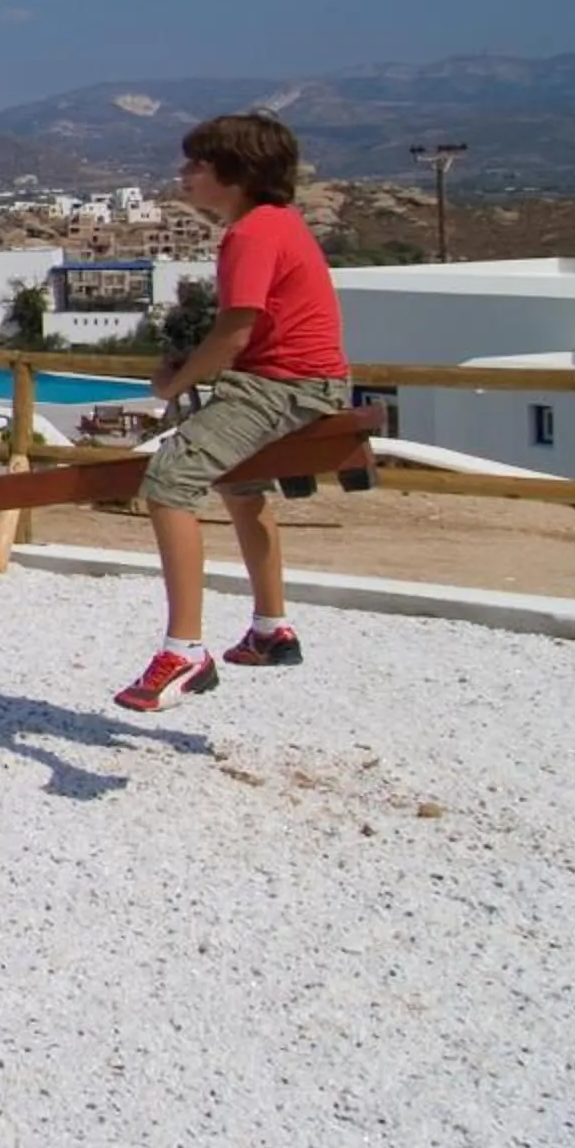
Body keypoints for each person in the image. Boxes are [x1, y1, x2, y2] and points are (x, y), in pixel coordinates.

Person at [114, 111, 348, 711]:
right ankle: (271, 629)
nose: (184, 173)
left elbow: (234, 334)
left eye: (196, 163)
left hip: (282, 385)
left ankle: (184, 650)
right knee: (242, 488)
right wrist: (191, 369)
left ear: (234, 173)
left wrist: (172, 388)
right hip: (304, 380)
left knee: (169, 482)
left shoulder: (251, 234)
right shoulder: (277, 224)